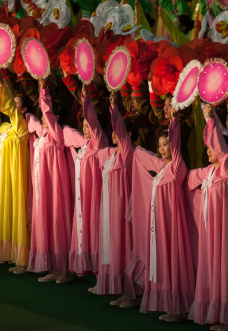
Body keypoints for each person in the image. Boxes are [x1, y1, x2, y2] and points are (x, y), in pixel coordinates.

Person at [187, 104, 228, 330]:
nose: (208, 151)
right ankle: (215, 311)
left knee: (225, 264)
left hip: (225, 227)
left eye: (212, 149)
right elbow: (187, 179)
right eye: (207, 149)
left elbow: (219, 145)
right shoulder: (209, 171)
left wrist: (211, 118)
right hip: (210, 228)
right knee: (212, 265)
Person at [132, 113, 195, 321]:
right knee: (163, 260)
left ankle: (180, 308)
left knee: (173, 259)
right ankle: (171, 306)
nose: (162, 148)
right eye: (160, 145)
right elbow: (139, 153)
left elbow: (175, 145)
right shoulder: (162, 168)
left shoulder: (177, 167)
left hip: (172, 224)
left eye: (165, 145)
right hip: (159, 224)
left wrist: (174, 122)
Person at [95, 91, 141, 308]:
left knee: (126, 246)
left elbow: (121, 132)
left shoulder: (127, 153)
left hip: (124, 209)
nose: (114, 134)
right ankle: (123, 290)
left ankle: (131, 292)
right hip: (112, 209)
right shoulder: (111, 155)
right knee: (116, 247)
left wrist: (114, 108)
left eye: (117, 132)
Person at [26, 79, 73, 284]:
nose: (44, 119)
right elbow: (29, 117)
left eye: (48, 117)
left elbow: (46, 112)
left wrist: (43, 90)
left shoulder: (57, 134)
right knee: (46, 221)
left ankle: (66, 269)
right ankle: (53, 265)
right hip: (42, 187)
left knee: (57, 221)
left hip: (54, 185)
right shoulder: (42, 135)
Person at [0, 68, 31, 273]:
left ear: (23, 110)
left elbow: (9, 106)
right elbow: (6, 108)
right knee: (3, 213)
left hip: (17, 179)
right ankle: (4, 253)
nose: (12, 107)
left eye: (17, 105)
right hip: (4, 179)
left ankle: (22, 259)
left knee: (17, 215)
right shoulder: (6, 128)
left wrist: (2, 84)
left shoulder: (22, 128)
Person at [65, 84, 109, 281]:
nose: (85, 128)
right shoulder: (83, 147)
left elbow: (92, 121)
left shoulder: (99, 144)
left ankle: (101, 273)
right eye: (82, 126)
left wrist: (85, 100)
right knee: (83, 230)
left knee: (95, 230)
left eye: (87, 126)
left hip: (95, 196)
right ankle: (85, 268)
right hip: (82, 197)